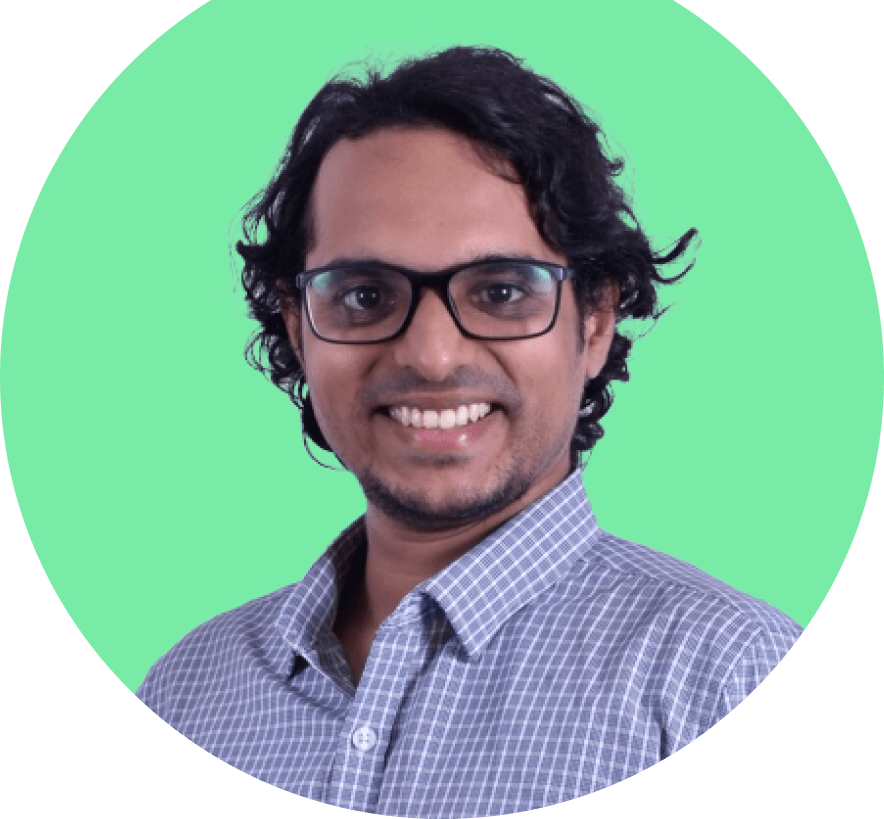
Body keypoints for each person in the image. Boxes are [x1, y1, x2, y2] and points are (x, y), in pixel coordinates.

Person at [136, 46, 802, 813]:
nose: (431, 355)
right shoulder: (186, 692)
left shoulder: (727, 677)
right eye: (364, 295)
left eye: (502, 291)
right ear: (297, 327)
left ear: (594, 322)